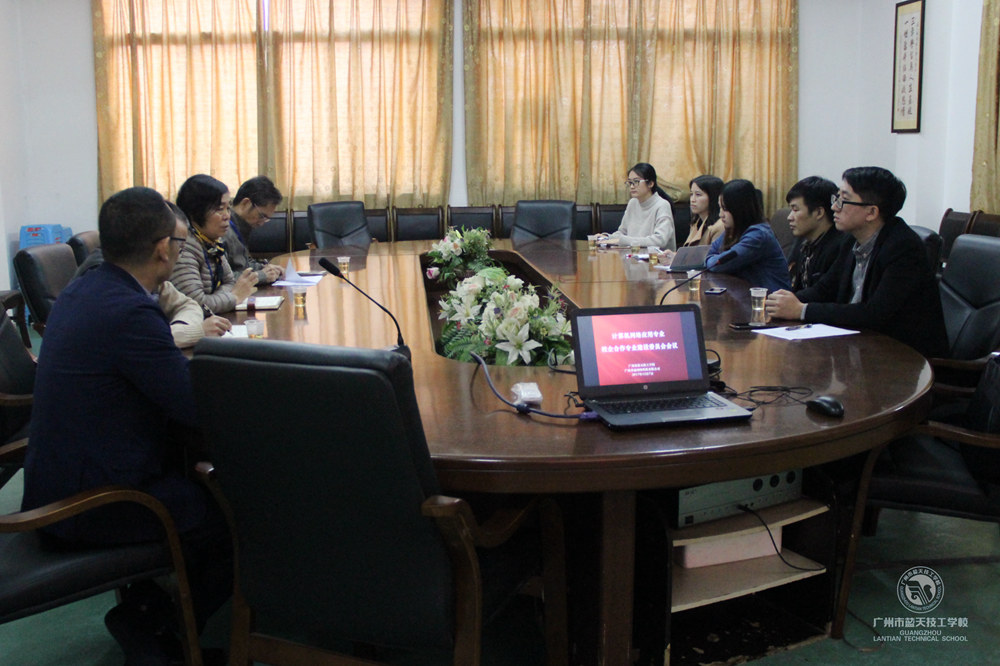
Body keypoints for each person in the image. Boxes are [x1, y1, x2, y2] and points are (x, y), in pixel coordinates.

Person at [21, 187, 231, 664]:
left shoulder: (89, 288)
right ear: (162, 249)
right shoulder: (130, 311)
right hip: (93, 503)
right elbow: (194, 407)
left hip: (59, 480)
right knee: (232, 517)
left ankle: (148, 605)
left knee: (197, 481)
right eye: (179, 244)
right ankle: (161, 628)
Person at [765, 166, 948, 358]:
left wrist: (802, 310)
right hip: (858, 347)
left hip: (904, 357)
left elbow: (874, 314)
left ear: (871, 212)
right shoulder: (851, 240)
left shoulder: (903, 248)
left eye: (843, 200)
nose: (834, 207)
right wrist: (783, 302)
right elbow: (825, 289)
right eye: (836, 198)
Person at [75, 202, 232, 348]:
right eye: (179, 246)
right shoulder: (107, 285)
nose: (178, 255)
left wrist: (180, 330)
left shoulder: (144, 273)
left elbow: (188, 305)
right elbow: (141, 342)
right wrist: (197, 332)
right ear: (161, 245)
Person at [171, 174, 258, 313]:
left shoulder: (212, 242)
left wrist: (222, 297)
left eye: (228, 208)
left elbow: (230, 282)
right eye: (219, 209)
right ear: (196, 212)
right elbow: (196, 305)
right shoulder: (184, 248)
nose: (227, 216)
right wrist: (234, 297)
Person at [705, 179, 791, 292]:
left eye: (725, 209)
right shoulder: (733, 229)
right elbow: (709, 253)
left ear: (740, 209)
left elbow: (717, 265)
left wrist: (709, 260)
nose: (721, 215)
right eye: (720, 208)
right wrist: (710, 260)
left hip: (769, 299)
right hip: (745, 294)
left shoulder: (758, 236)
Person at [785, 176, 846, 291]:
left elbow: (823, 294)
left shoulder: (839, 248)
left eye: (795, 210)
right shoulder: (804, 242)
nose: (789, 217)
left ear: (818, 212)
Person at [597, 162, 676, 250]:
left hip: (656, 257)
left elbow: (660, 240)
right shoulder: (633, 203)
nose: (631, 186)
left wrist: (624, 241)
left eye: (636, 182)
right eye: (630, 182)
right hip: (633, 255)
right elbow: (622, 232)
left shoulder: (662, 205)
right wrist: (606, 238)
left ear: (650, 183)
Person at [224, 175, 285, 285]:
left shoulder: (241, 227)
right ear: (246, 203)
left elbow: (242, 265)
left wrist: (265, 268)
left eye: (266, 219)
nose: (262, 223)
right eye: (261, 216)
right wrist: (261, 275)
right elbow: (223, 279)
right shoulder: (223, 230)